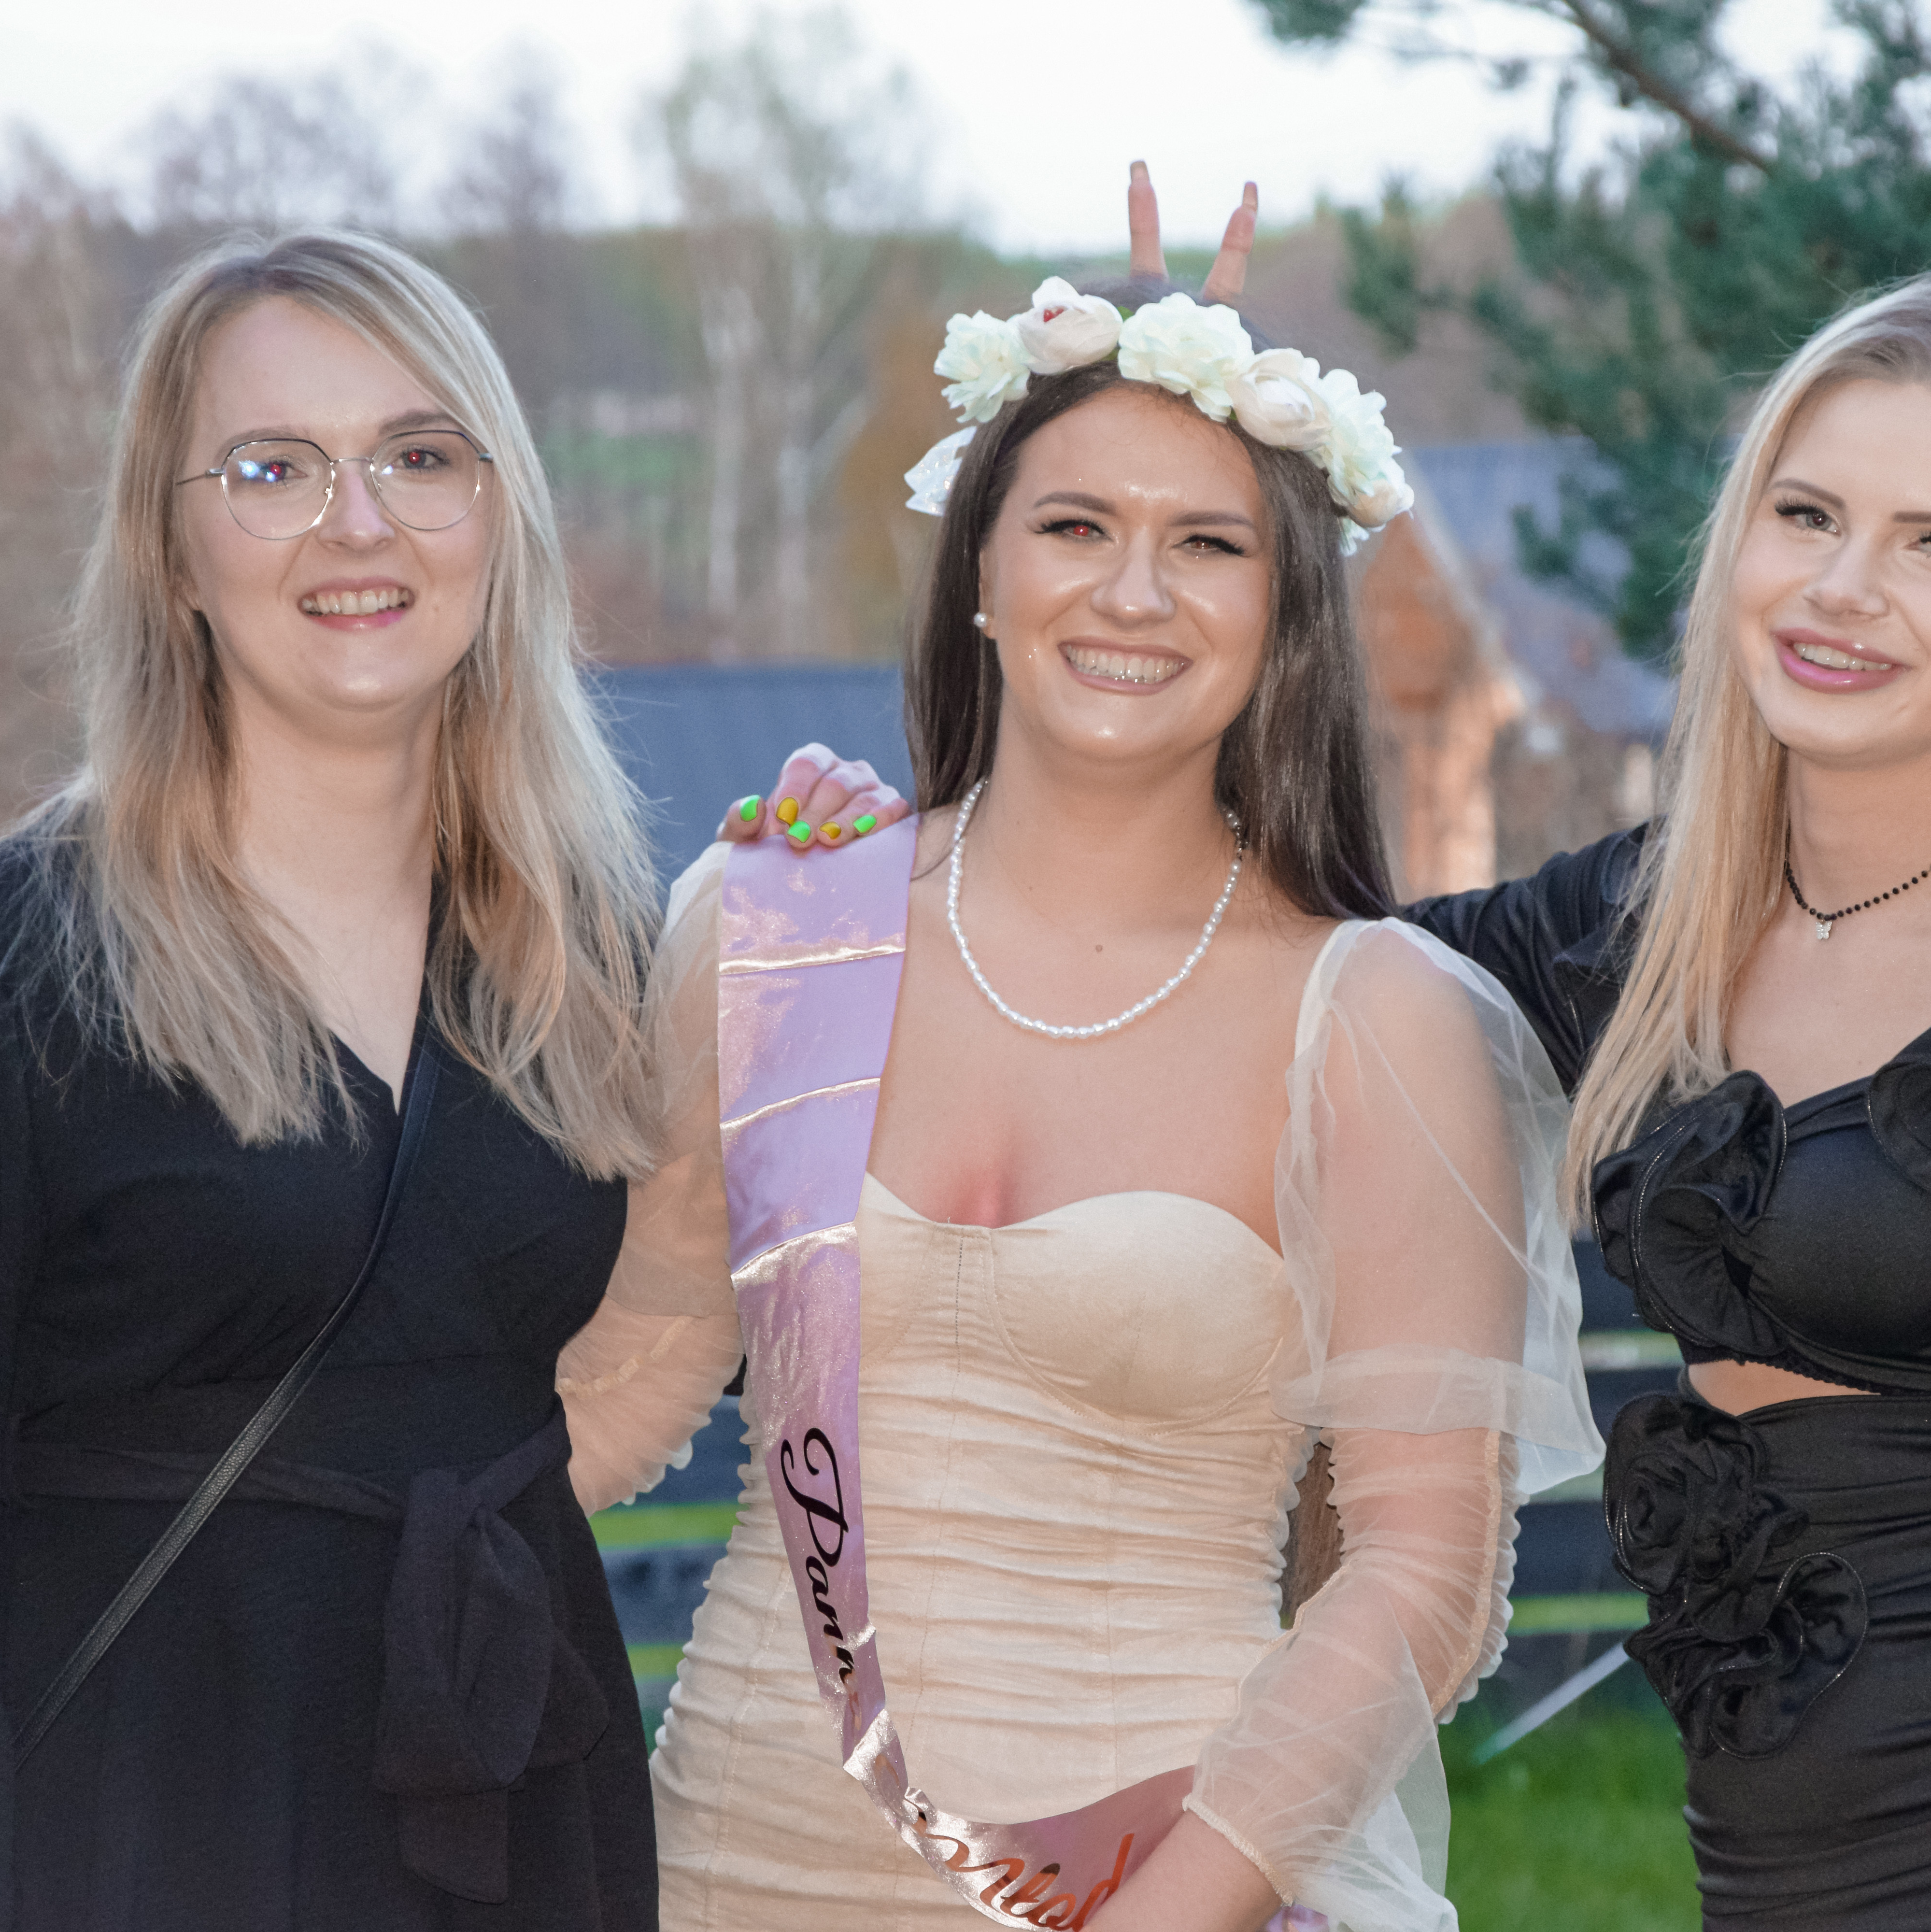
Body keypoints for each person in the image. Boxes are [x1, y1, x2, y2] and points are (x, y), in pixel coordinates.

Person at [761, 189, 1931, 1929]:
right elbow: (1244, 967)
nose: (1844, 589)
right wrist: (920, 843)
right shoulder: (1639, 927)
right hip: (1775, 1866)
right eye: (1807, 514)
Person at [554, 171, 1599, 1931]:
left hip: (1158, 1876)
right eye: (1074, 524)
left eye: (1210, 544)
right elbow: (635, 1374)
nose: (1134, 592)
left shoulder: (1375, 1019)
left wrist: (1176, 1909)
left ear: (1286, 612)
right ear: (981, 565)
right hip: (728, 1860)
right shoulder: (775, 924)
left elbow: (1425, 1572)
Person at [0, 231, 666, 1931]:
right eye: (273, 469)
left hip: (511, 1826)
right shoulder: (3, 974)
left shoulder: (579, 947)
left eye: (420, 456)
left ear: (500, 515)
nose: (358, 523)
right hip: (140, 1831)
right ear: (172, 549)